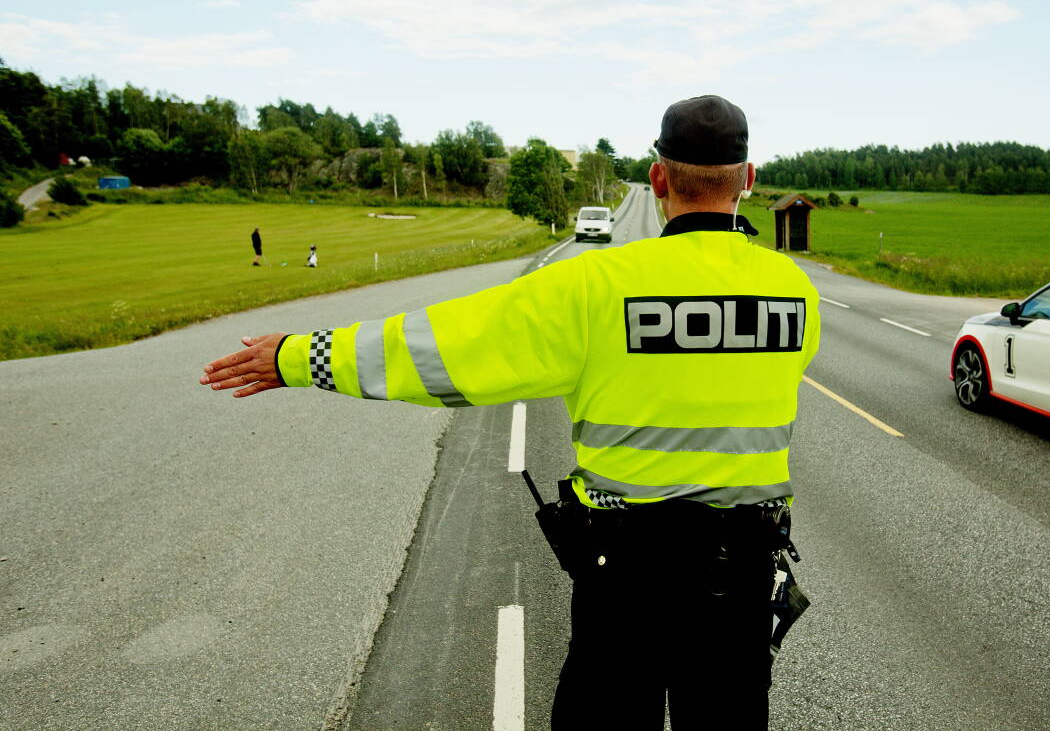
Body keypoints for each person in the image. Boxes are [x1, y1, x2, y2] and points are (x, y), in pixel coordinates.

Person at [201, 95, 820, 730]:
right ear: (748, 180)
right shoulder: (796, 292)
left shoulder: (595, 285)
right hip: (739, 577)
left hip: (626, 578)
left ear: (658, 177)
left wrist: (299, 358)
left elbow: (447, 347)